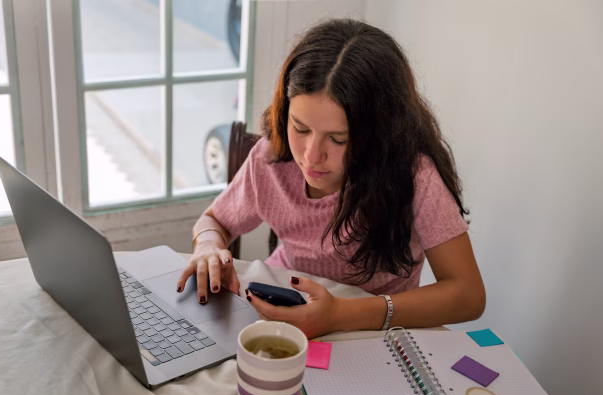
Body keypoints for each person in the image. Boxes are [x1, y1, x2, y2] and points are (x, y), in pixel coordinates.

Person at [177, 19, 485, 338]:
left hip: (370, 329)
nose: (311, 157)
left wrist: (339, 315)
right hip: (284, 302)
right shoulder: (269, 158)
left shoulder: (415, 177)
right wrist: (209, 247)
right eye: (300, 129)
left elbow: (469, 296)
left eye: (338, 139)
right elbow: (215, 220)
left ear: (380, 136)